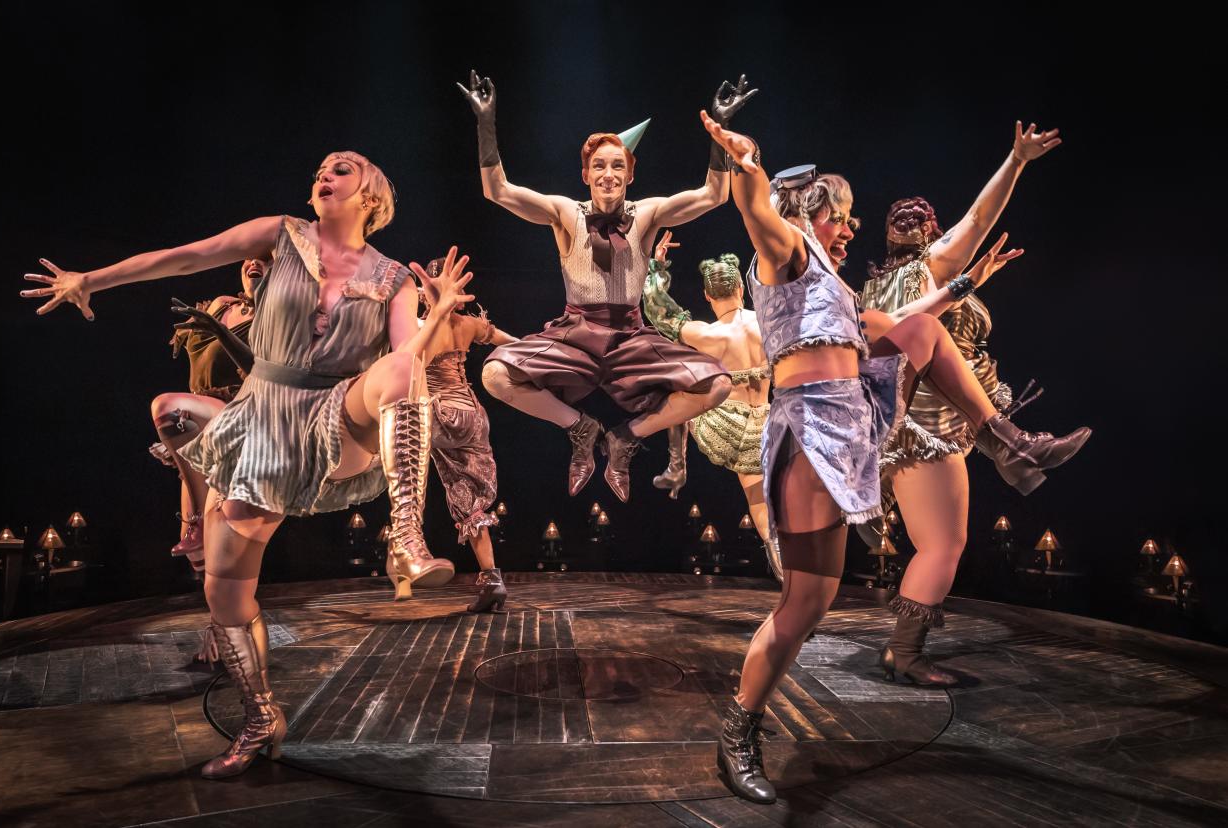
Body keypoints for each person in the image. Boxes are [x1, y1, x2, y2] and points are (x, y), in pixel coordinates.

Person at [21, 150, 473, 779]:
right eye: (322, 165)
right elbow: (185, 255)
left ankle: (405, 535)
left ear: (372, 194)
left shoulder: (395, 277)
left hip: (338, 415)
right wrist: (90, 279)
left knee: (402, 368)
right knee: (225, 587)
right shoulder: (281, 234)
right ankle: (261, 715)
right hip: (261, 419)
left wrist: (439, 313)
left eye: (343, 167)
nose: (326, 171)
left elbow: (406, 360)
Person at [699, 113, 1090, 803]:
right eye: (841, 215)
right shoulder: (786, 252)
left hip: (848, 431)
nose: (851, 227)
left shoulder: (842, 291)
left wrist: (975, 271)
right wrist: (749, 159)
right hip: (809, 431)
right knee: (802, 606)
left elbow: (916, 317)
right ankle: (739, 731)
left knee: (925, 331)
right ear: (813, 213)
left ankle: (1007, 442)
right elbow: (756, 208)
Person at [459, 70, 760, 502]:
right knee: (495, 375)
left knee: (717, 385)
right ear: (585, 175)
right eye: (598, 165)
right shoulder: (566, 212)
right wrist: (485, 123)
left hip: (630, 338)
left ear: (630, 175)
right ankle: (580, 428)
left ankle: (624, 437)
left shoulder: (647, 213)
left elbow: (713, 195)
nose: (608, 173)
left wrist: (720, 128)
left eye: (617, 165)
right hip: (575, 335)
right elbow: (497, 191)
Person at [858, 124, 1084, 686]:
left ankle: (1013, 451)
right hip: (929, 424)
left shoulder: (872, 290)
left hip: (906, 423)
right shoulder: (929, 265)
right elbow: (980, 220)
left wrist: (973, 280)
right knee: (943, 544)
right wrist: (1016, 159)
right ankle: (904, 654)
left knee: (936, 542)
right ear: (929, 233)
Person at [642, 231, 779, 574]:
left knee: (678, 395)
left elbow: (657, 309)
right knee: (771, 494)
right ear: (741, 290)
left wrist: (657, 266)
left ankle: (677, 466)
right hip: (773, 420)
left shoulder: (705, 334)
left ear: (706, 294)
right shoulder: (768, 322)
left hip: (728, 426)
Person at [149, 259, 263, 575]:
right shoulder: (219, 304)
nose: (255, 261)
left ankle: (203, 521)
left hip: (246, 407)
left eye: (266, 258)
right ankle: (218, 612)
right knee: (196, 555)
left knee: (165, 406)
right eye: (249, 257)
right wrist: (174, 440)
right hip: (203, 407)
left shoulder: (276, 316)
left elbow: (264, 373)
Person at [419, 257, 518, 612]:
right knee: (469, 501)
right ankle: (492, 580)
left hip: (442, 414)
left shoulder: (422, 327)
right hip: (474, 416)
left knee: (391, 431)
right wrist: (540, 354)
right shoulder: (469, 325)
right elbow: (509, 342)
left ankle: (403, 543)